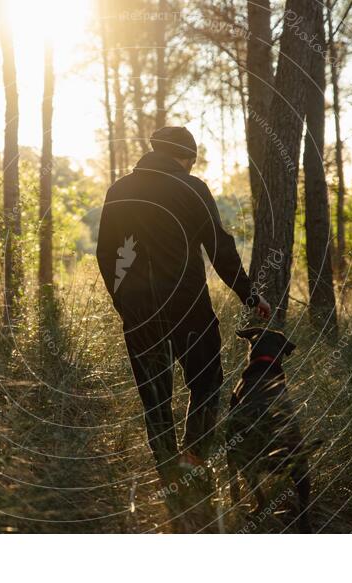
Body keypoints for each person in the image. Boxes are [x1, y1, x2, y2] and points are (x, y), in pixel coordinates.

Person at [96, 126, 270, 486]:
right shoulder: (192, 189)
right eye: (192, 158)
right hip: (188, 306)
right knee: (207, 382)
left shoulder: (119, 190)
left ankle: (168, 477)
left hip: (139, 311)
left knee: (155, 395)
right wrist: (250, 295)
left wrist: (123, 302)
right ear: (186, 157)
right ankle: (193, 465)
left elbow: (105, 252)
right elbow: (219, 248)